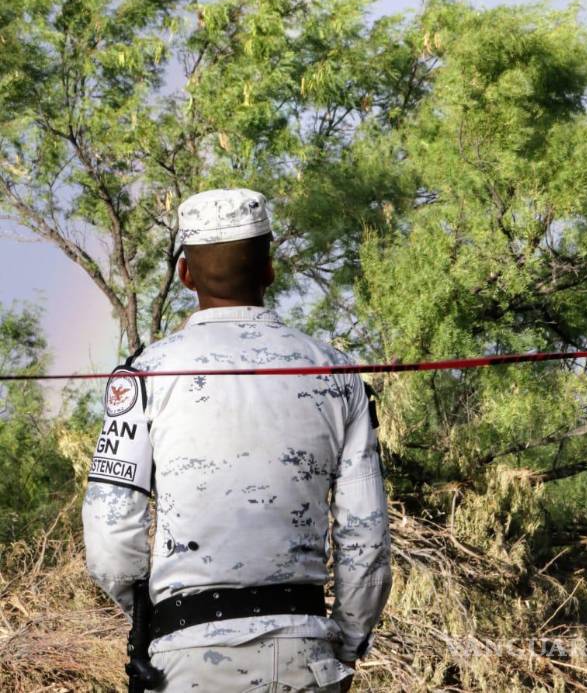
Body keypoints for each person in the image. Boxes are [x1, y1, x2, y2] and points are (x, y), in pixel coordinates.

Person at [82, 187, 392, 692]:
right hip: (307, 656)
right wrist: (349, 643)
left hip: (186, 660)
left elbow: (110, 536)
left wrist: (151, 620)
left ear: (184, 275)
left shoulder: (143, 375)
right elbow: (367, 537)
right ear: (270, 269)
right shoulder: (338, 373)